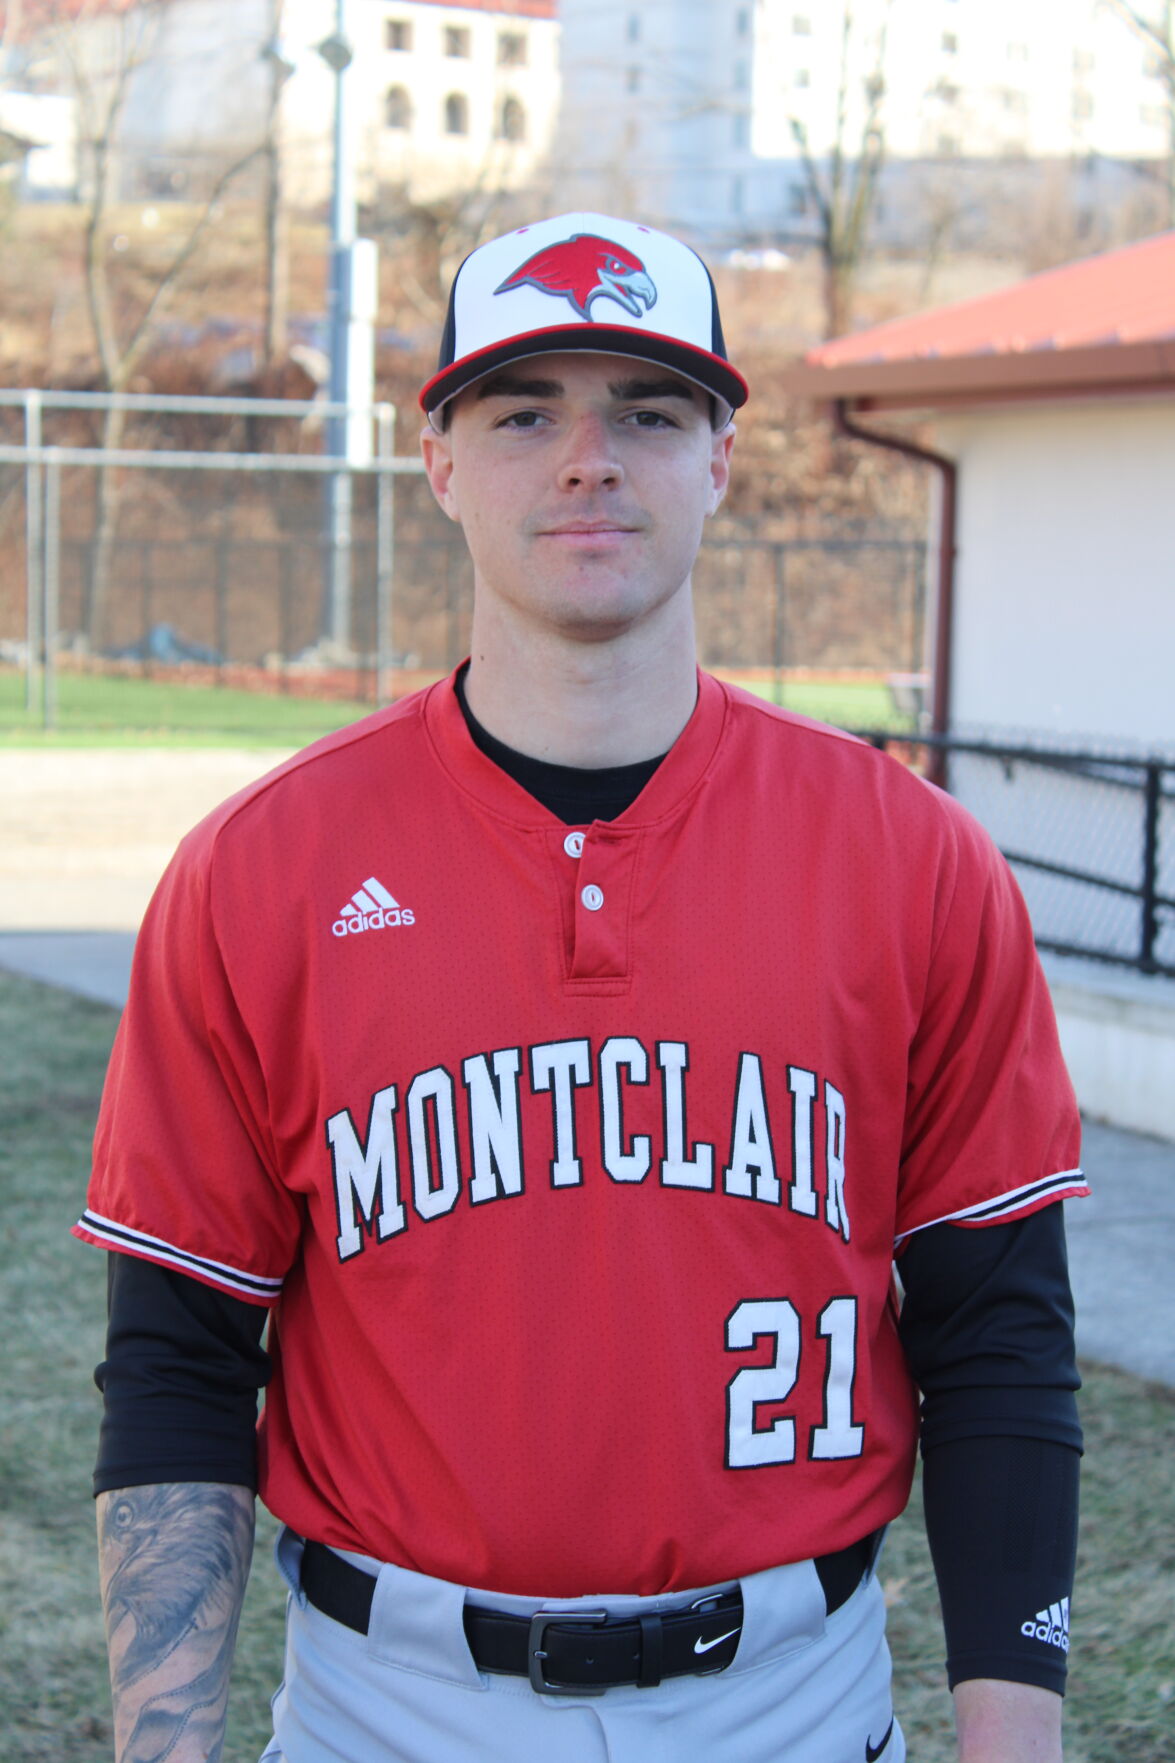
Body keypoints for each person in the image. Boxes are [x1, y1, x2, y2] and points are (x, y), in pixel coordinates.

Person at [77, 213, 1090, 1763]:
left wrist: (1015, 1743)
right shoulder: (260, 868)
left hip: (796, 1702)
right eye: (525, 408)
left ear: (720, 461)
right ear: (440, 462)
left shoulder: (912, 857)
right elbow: (180, 1355)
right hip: (387, 1707)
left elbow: (999, 1335)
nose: (587, 457)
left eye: (647, 410)